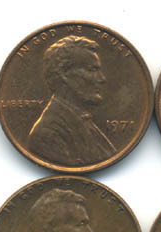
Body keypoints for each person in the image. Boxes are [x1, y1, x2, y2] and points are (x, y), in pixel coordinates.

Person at [28, 35, 116, 167]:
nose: (102, 79)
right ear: (64, 75)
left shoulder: (81, 120)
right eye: (92, 70)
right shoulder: (47, 133)